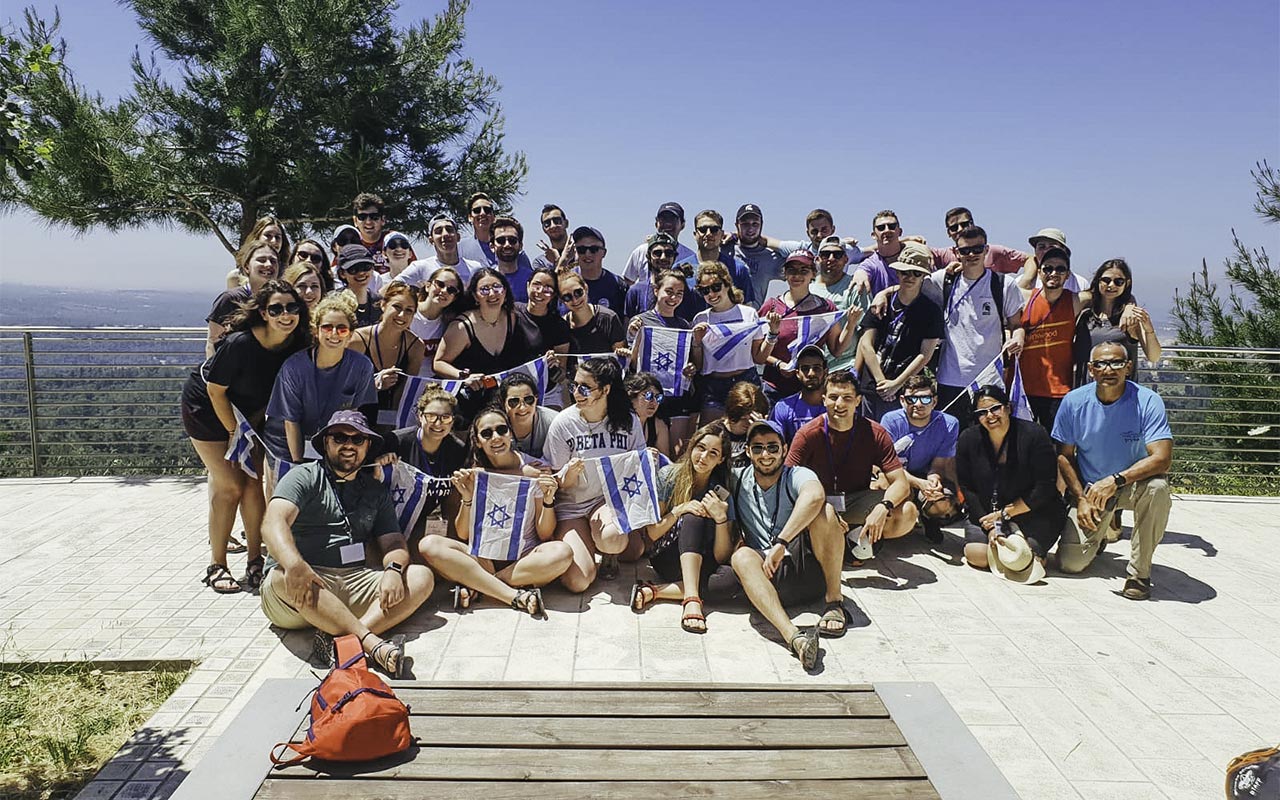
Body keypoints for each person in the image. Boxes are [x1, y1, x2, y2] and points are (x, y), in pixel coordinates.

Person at [259, 410, 435, 678]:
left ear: (368, 446)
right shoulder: (304, 476)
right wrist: (294, 564)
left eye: (358, 439)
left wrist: (394, 571)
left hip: (352, 579)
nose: (349, 445)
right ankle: (371, 643)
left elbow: (394, 541)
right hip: (299, 588)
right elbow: (273, 522)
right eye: (339, 437)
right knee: (280, 576)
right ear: (326, 442)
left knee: (421, 576)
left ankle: (342, 642)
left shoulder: (375, 490)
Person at [181, 280, 311, 593]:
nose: (285, 314)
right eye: (276, 308)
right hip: (210, 409)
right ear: (263, 313)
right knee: (230, 485)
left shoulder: (298, 343)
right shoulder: (241, 343)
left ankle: (256, 561)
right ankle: (218, 564)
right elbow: (216, 389)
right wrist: (232, 433)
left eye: (291, 307)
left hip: (249, 417)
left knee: (254, 486)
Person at [421, 406, 574, 615]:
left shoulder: (535, 467)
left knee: (562, 553)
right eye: (486, 433)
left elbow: (545, 534)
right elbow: (464, 534)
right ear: (477, 441)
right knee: (429, 545)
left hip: (523, 559)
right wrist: (467, 499)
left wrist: (547, 501)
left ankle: (483, 585)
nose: (496, 437)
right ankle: (513, 594)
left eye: (501, 430)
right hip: (483, 556)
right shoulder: (474, 474)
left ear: (510, 433)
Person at [1053, 343, 1174, 600]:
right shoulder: (1073, 402)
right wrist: (1081, 499)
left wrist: (1116, 480)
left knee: (1158, 489)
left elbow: (1162, 459)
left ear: (1128, 367)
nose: (1109, 369)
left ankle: (1139, 575)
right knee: (1070, 564)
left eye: (1117, 363)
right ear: (1090, 370)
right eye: (1101, 364)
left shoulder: (1148, 401)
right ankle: (1106, 530)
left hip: (1131, 484)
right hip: (1092, 491)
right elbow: (1064, 456)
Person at [728, 421, 851, 672]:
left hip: (802, 566)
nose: (766, 455)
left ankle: (834, 602)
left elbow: (815, 495)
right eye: (758, 448)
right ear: (748, 451)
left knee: (825, 512)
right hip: (764, 575)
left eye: (773, 447)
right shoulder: (737, 478)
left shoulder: (797, 474)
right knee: (740, 557)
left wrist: (781, 542)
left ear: (784, 449)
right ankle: (794, 638)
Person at [785, 371, 918, 557]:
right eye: (833, 397)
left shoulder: (875, 432)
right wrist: (819, 506)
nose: (839, 404)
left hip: (855, 499)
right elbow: (786, 482)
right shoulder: (807, 434)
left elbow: (901, 483)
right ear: (824, 400)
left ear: (858, 401)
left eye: (847, 398)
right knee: (814, 510)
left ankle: (854, 536)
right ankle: (827, 540)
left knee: (907, 512)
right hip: (819, 504)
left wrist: (883, 507)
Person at [544, 357, 648, 592]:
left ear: (606, 389)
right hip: (571, 506)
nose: (577, 392)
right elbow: (555, 484)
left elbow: (638, 470)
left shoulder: (628, 421)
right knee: (578, 582)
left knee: (619, 543)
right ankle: (584, 542)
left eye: (585, 387)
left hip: (606, 501)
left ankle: (607, 551)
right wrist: (568, 475)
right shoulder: (563, 423)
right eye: (574, 386)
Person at [630, 423, 735, 633]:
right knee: (693, 517)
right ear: (692, 447)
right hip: (668, 557)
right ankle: (691, 600)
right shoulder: (669, 476)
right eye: (700, 448)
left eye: (713, 453)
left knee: (733, 581)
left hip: (704, 560)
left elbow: (722, 556)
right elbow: (651, 533)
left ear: (721, 459)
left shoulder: (721, 490)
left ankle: (656, 591)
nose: (704, 457)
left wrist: (721, 519)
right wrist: (678, 510)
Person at [956, 385, 1068, 577]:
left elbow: (1045, 486)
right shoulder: (969, 438)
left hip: (1034, 510)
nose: (990, 416)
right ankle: (1009, 543)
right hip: (987, 512)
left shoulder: (1034, 435)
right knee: (978, 555)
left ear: (1008, 408)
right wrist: (991, 526)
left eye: (995, 408)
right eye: (982, 412)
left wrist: (1005, 514)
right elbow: (967, 487)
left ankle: (1027, 546)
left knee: (1027, 559)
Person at [919, 226, 1025, 426]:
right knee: (951, 444)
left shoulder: (1004, 284)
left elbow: (1016, 324)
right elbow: (910, 285)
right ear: (956, 253)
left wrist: (1018, 338)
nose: (972, 255)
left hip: (988, 380)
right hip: (949, 379)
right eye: (965, 250)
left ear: (986, 250)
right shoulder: (944, 280)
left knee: (989, 441)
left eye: (977, 249)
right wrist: (884, 294)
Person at [263, 292, 378, 462]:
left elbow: (352, 416)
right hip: (286, 442)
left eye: (342, 329)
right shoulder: (294, 368)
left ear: (350, 334)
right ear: (316, 331)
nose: (334, 333)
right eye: (327, 327)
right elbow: (291, 422)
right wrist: (298, 464)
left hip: (331, 440)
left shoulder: (362, 366)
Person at [854, 242, 944, 421]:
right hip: (873, 387)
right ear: (897, 273)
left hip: (906, 392)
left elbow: (924, 355)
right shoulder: (882, 301)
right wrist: (882, 382)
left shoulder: (931, 310)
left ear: (923, 276)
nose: (910, 277)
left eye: (916, 273)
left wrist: (896, 384)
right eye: (905, 272)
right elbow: (865, 343)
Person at [759, 251, 856, 404]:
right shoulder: (771, 307)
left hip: (812, 389)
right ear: (784, 273)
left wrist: (851, 324)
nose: (797, 275)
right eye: (792, 270)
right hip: (775, 388)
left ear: (813, 273)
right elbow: (757, 354)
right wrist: (778, 364)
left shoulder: (826, 307)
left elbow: (836, 350)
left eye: (803, 270)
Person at [433, 268, 532, 411]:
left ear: (504, 291)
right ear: (475, 296)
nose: (492, 294)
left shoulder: (512, 317)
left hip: (501, 402)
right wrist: (462, 376)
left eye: (497, 287)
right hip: (466, 404)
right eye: (484, 290)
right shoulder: (462, 327)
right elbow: (438, 363)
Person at [878, 374, 961, 543]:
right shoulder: (890, 421)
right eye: (911, 399)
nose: (918, 404)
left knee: (942, 502)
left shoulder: (950, 424)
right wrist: (918, 484)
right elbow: (887, 466)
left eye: (925, 399)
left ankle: (930, 519)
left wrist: (933, 481)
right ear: (902, 400)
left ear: (934, 401)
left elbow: (939, 464)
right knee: (888, 487)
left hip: (925, 473)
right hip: (896, 475)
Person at [384, 386, 468, 541]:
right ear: (419, 416)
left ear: (452, 420)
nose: (438, 423)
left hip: (425, 522)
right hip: (390, 520)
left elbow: (451, 503)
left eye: (445, 417)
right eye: (431, 416)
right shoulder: (396, 441)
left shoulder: (457, 449)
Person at [690, 261, 771, 421]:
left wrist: (773, 334)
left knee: (749, 433)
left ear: (727, 284)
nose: (711, 294)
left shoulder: (749, 314)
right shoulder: (700, 319)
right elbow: (699, 365)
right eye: (705, 290)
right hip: (713, 385)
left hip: (746, 381)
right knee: (712, 435)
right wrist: (697, 342)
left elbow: (759, 358)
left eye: (716, 287)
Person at [625, 269, 698, 445]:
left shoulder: (684, 326)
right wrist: (633, 336)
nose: (674, 297)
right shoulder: (640, 321)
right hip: (647, 398)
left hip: (675, 399)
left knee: (676, 452)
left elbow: (689, 363)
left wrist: (690, 369)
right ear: (656, 290)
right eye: (669, 292)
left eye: (679, 293)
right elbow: (631, 363)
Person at [1018, 246, 1087, 431]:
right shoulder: (1025, 298)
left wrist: (1130, 305)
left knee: (1056, 448)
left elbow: (1110, 294)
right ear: (1040, 273)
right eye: (1048, 268)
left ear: (1067, 275)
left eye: (1060, 269)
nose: (1053, 273)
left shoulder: (1075, 301)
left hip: (1059, 391)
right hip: (1023, 390)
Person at [348, 281, 426, 428]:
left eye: (409, 310)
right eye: (397, 307)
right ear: (383, 305)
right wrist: (374, 385)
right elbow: (343, 390)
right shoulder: (357, 340)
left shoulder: (416, 346)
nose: (402, 315)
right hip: (354, 416)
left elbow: (405, 392)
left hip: (390, 419)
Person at [1073, 258, 1162, 385]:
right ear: (1098, 281)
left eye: (1118, 281)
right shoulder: (1085, 315)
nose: (1111, 285)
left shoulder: (1130, 318)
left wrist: (1148, 329)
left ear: (1127, 283)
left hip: (1119, 392)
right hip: (1085, 391)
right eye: (1106, 280)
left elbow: (1154, 356)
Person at [207, 238, 278, 356]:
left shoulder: (282, 299)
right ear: (246, 267)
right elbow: (212, 342)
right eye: (261, 260)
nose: (268, 265)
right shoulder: (230, 299)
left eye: (273, 261)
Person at [809, 235, 864, 375]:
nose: (831, 258)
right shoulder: (806, 289)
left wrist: (856, 371)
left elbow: (866, 333)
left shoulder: (855, 288)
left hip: (845, 366)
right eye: (825, 254)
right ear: (817, 259)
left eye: (837, 254)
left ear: (846, 259)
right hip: (813, 371)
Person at [623, 232, 707, 321]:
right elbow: (627, 326)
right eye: (657, 253)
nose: (663, 257)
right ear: (648, 256)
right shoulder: (636, 291)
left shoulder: (688, 293)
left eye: (669, 253)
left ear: (674, 257)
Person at [927, 207, 1030, 276]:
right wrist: (919, 246)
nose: (959, 229)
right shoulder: (943, 255)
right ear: (948, 233)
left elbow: (1030, 259)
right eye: (954, 228)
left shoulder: (994, 251)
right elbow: (917, 247)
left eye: (964, 224)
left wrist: (1024, 284)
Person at [621, 202, 699, 286]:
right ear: (656, 224)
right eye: (663, 219)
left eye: (673, 219)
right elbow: (627, 282)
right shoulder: (641, 251)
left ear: (682, 225)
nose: (668, 223)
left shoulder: (690, 257)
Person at [407, 265, 464, 377]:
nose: (444, 291)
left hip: (433, 383)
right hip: (403, 379)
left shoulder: (451, 324)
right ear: (428, 286)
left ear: (454, 297)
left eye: (451, 290)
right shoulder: (407, 312)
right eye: (440, 284)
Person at [399, 213, 483, 288]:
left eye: (449, 230)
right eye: (439, 231)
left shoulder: (475, 268)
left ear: (458, 237)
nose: (445, 234)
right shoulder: (420, 268)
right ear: (431, 240)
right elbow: (390, 288)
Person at [691, 209, 755, 305]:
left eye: (714, 229)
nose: (708, 233)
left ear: (721, 234)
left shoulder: (739, 269)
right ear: (695, 235)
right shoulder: (681, 269)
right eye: (703, 229)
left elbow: (748, 307)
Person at [459, 192, 534, 272]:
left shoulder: (514, 249)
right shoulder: (460, 249)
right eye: (477, 210)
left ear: (493, 216)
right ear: (470, 217)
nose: (483, 213)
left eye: (487, 210)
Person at [561, 270, 627, 357]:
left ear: (586, 288)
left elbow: (620, 359)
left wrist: (623, 352)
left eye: (578, 293)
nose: (575, 300)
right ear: (562, 300)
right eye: (567, 297)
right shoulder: (562, 325)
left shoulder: (609, 318)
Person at [769, 345, 827, 440]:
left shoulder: (836, 405)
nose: (811, 374)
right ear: (797, 373)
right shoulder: (784, 407)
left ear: (825, 372)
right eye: (805, 369)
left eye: (816, 368)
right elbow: (775, 444)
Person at [501, 372, 558, 459]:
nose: (522, 407)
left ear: (536, 399)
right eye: (514, 402)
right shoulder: (495, 426)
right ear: (503, 403)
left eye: (528, 399)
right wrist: (521, 471)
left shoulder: (555, 422)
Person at [224, 216, 291, 290]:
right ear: (257, 237)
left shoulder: (289, 275)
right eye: (268, 235)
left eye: (277, 237)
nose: (273, 241)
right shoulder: (236, 277)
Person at [571, 226, 627, 312]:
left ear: (604, 253)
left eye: (594, 249)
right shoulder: (564, 283)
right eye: (581, 249)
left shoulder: (618, 285)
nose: (587, 254)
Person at [334, 243, 382, 328]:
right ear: (342, 273)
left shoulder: (380, 303)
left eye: (366, 267)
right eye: (353, 269)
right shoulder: (333, 301)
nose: (361, 273)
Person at [723, 381, 769, 467]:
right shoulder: (715, 432)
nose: (748, 423)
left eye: (751, 419)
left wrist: (761, 432)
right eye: (743, 418)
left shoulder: (760, 433)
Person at [489, 216, 535, 303]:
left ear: (520, 245)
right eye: (501, 240)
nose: (507, 245)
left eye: (512, 240)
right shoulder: (485, 279)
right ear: (492, 246)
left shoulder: (532, 279)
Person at [626, 372, 671, 457]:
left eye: (658, 397)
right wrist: (642, 455)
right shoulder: (620, 423)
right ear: (632, 396)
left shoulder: (659, 425)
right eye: (648, 396)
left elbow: (665, 462)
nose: (653, 402)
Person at [350, 192, 389, 270]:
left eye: (374, 217)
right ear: (355, 221)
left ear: (383, 220)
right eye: (362, 217)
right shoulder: (348, 244)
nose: (368, 222)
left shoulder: (395, 241)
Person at [532, 203, 572, 270]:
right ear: (544, 229)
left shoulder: (582, 253)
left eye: (557, 221)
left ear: (566, 223)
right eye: (547, 223)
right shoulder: (540, 262)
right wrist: (560, 261)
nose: (553, 226)